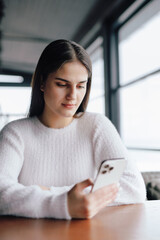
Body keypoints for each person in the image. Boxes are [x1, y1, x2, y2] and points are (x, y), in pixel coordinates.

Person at [0, 39, 146, 220]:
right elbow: (1, 192)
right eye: (62, 84)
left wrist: (48, 192)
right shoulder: (15, 133)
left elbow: (134, 188)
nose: (72, 96)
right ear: (42, 83)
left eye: (81, 86)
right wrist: (64, 203)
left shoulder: (97, 126)